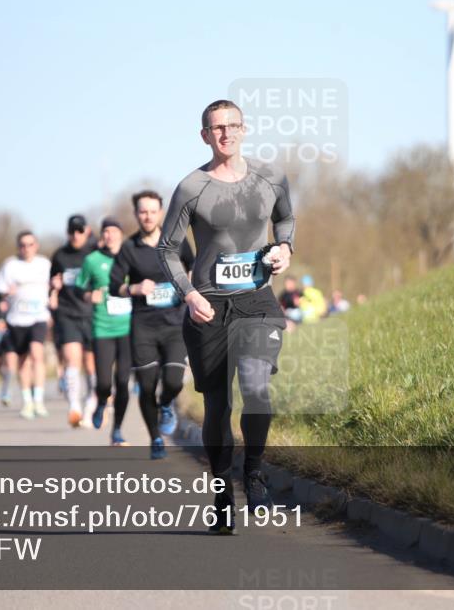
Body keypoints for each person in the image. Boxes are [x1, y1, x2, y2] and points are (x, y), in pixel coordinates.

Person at [157, 99, 294, 534]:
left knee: (256, 388)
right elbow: (166, 249)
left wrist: (285, 248)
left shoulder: (270, 177)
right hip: (208, 309)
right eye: (217, 128)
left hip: (256, 300)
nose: (226, 134)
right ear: (204, 135)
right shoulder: (191, 187)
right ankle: (220, 492)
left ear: (245, 129)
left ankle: (253, 472)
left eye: (233, 126)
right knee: (218, 405)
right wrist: (189, 294)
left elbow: (286, 219)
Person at [110, 190, 195, 459]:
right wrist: (134, 287)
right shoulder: (128, 248)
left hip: (174, 323)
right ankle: (156, 438)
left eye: (152, 211)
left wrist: (187, 287)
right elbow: (114, 286)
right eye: (142, 211)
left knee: (173, 380)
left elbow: (193, 267)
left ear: (161, 213)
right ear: (136, 214)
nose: (147, 216)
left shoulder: (176, 240)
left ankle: (167, 403)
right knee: (146, 386)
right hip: (144, 326)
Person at [76, 217, 132, 445]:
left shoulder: (130, 256)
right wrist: (91, 296)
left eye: (113, 230)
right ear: (102, 235)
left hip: (129, 328)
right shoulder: (91, 260)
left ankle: (117, 430)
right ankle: (101, 403)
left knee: (123, 381)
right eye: (105, 231)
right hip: (102, 328)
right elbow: (80, 288)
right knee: (103, 382)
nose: (109, 235)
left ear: (120, 234)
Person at [0, 231, 52, 419]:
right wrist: (5, 293)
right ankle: (27, 402)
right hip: (17, 320)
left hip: (38, 317)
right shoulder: (10, 265)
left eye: (30, 244)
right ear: (18, 247)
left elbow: (54, 287)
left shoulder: (44, 264)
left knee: (37, 354)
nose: (26, 248)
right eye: (23, 245)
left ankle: (39, 400)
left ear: (37, 246)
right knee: (23, 362)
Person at [49, 214, 99, 427]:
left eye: (79, 230)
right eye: (72, 231)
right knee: (72, 358)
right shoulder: (60, 255)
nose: (75, 235)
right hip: (67, 312)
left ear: (86, 231)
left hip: (92, 313)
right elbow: (52, 283)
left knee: (91, 364)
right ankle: (74, 406)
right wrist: (53, 290)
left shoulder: (94, 253)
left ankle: (91, 404)